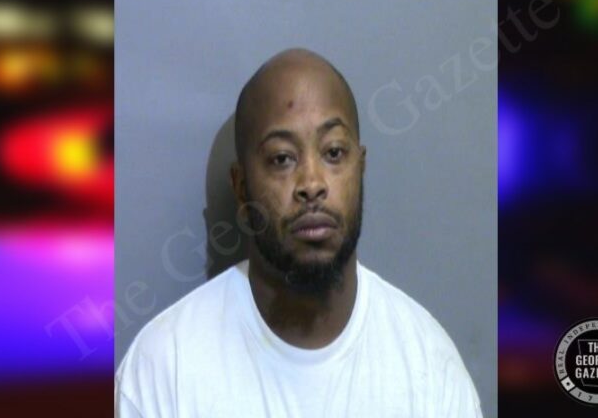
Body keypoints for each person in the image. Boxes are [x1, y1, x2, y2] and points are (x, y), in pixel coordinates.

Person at [115, 48, 483, 417]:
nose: (311, 184)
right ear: (241, 187)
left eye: (333, 152)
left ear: (360, 169)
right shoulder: (164, 370)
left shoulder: (430, 369)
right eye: (282, 158)